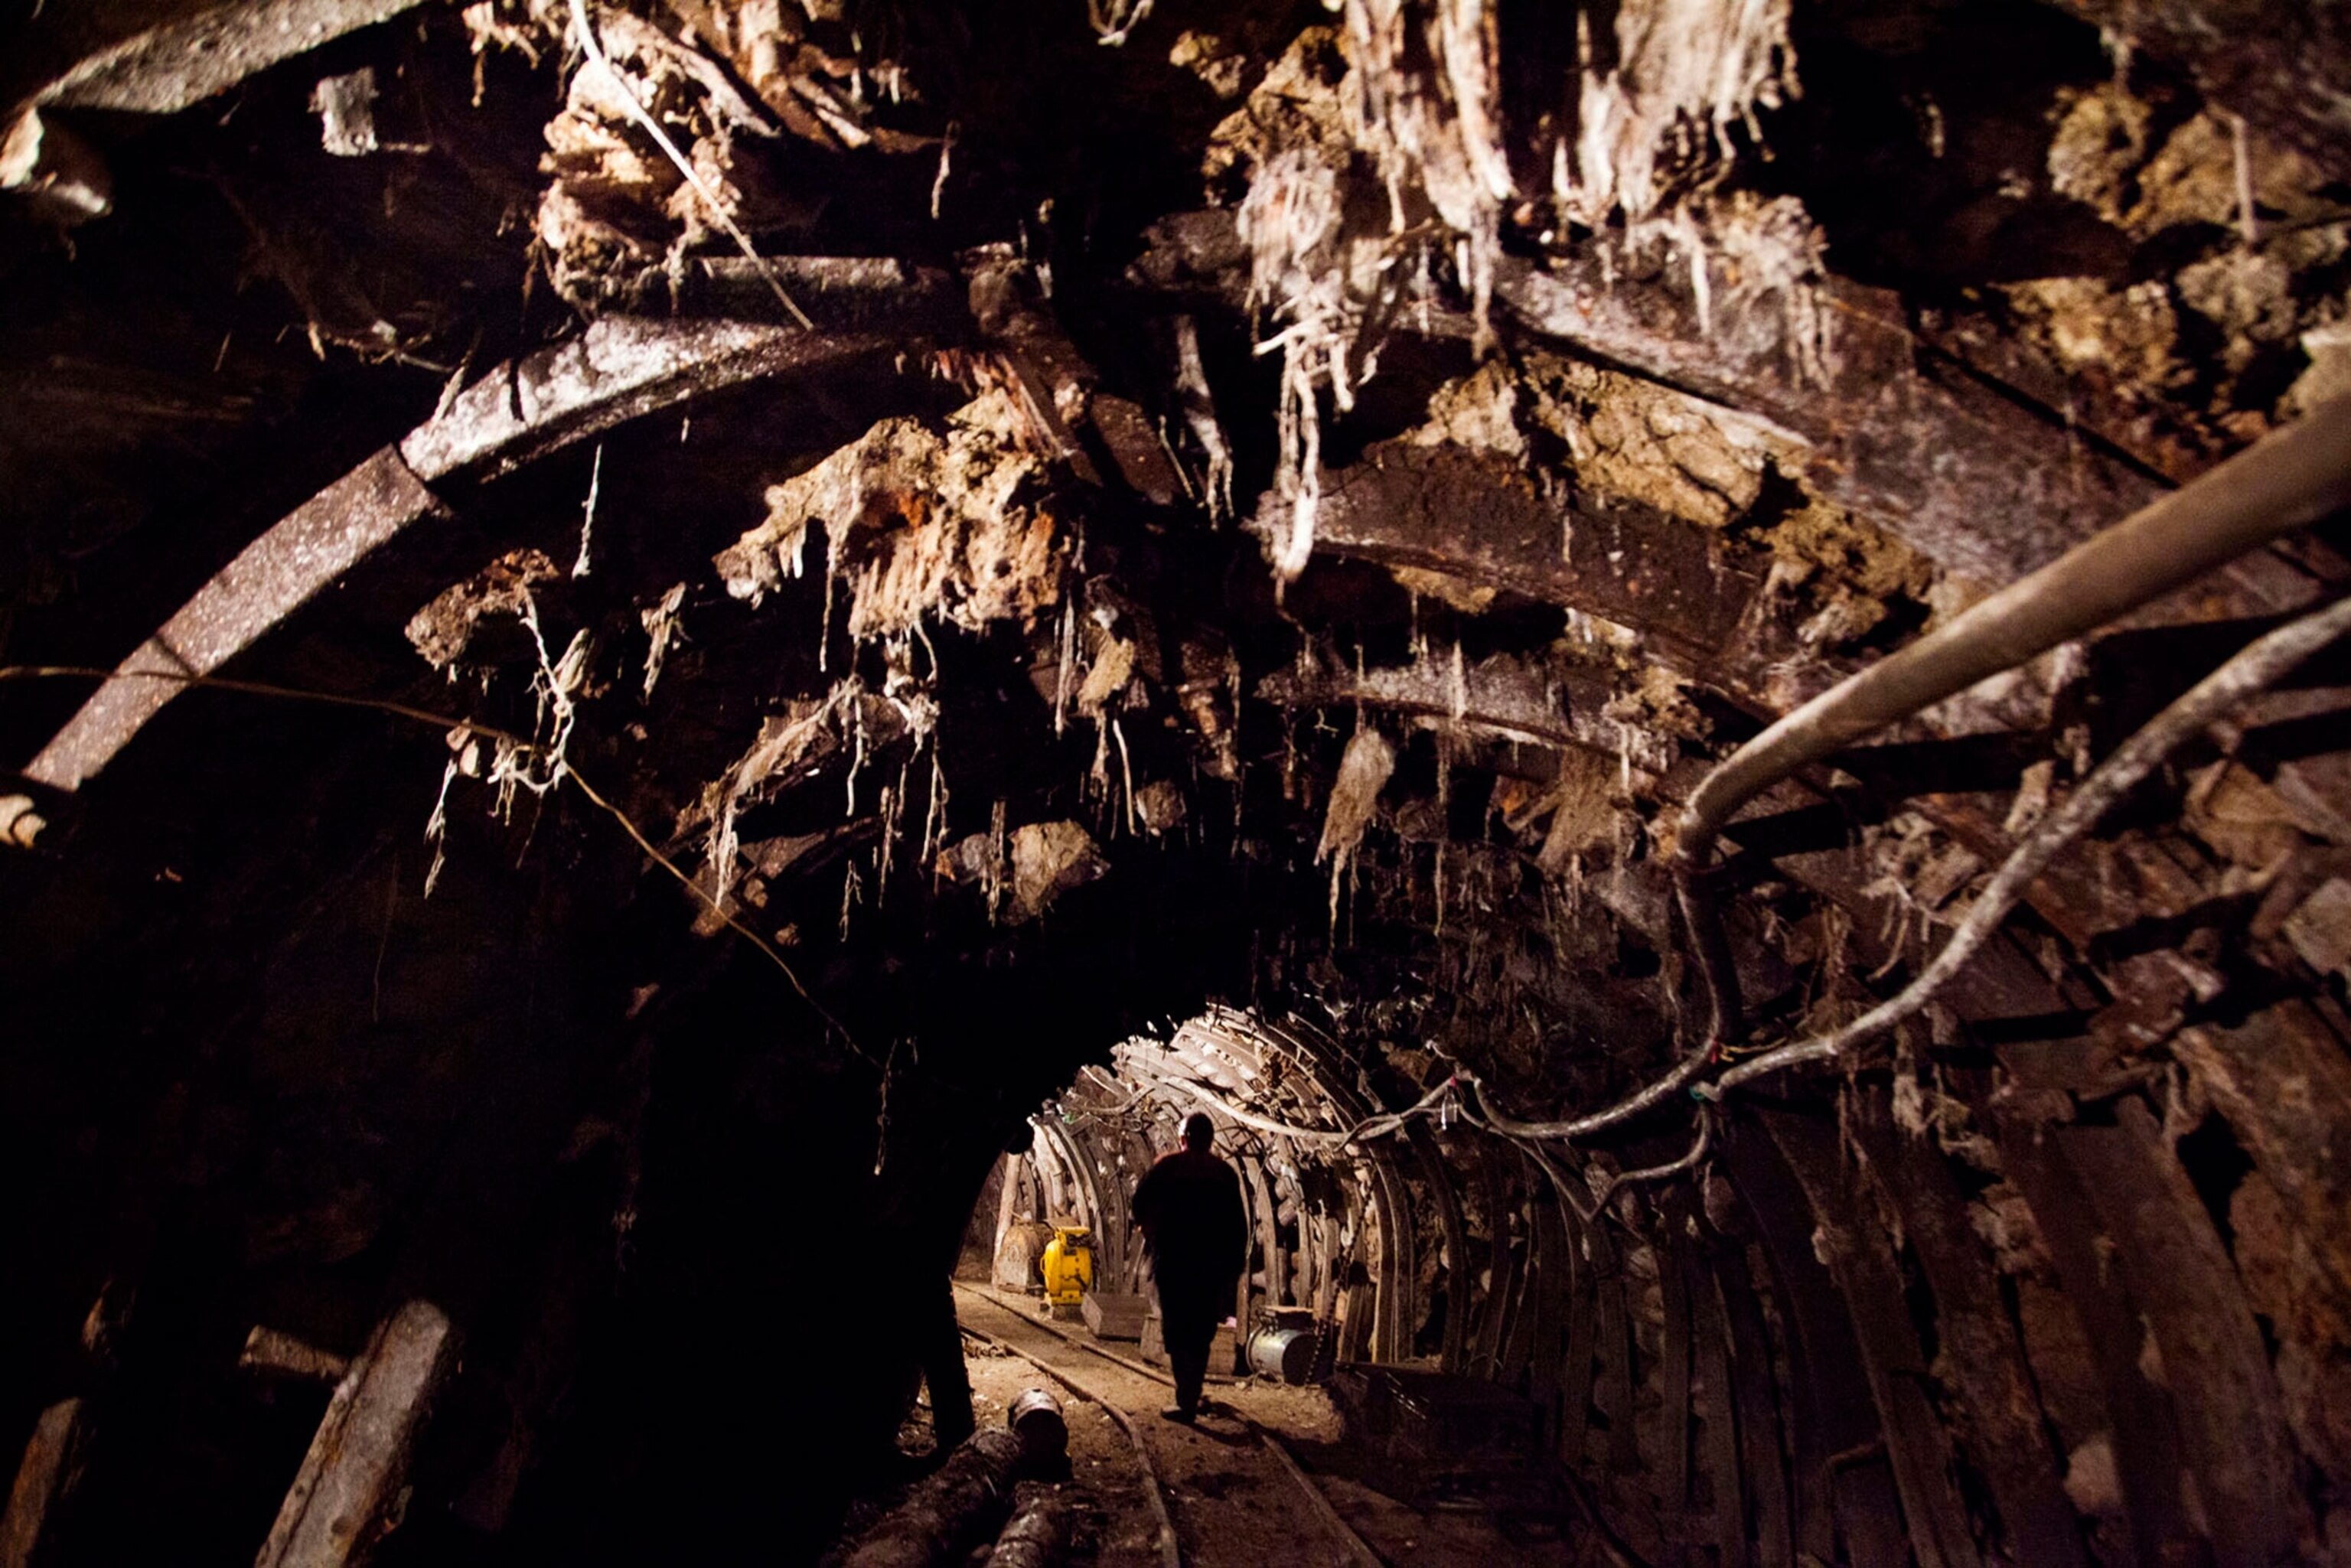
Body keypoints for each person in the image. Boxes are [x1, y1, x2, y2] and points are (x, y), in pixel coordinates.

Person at [1129, 1112, 1247, 1423]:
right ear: (1209, 1140)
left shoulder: (1168, 1166)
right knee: (1201, 1331)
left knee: (1178, 1330)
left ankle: (1186, 1399)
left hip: (1174, 1262)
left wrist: (1149, 1229)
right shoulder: (1225, 1173)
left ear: (1184, 1139)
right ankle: (1190, 1394)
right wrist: (1232, 1269)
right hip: (1210, 1267)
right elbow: (1237, 1226)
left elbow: (1139, 1202)